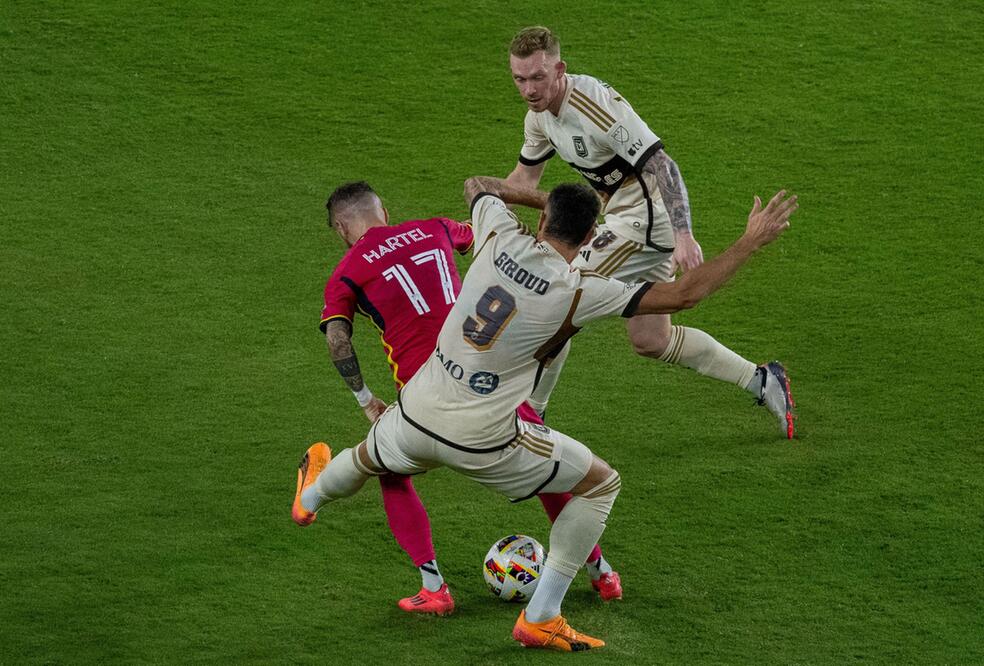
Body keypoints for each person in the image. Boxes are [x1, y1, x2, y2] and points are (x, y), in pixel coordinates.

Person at [293, 176, 798, 651]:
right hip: (485, 436)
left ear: (540, 221)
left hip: (416, 409)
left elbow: (478, 186)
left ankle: (310, 497)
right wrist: (751, 240)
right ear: (590, 237)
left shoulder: (497, 233)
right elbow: (686, 294)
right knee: (599, 483)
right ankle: (542, 616)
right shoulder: (581, 290)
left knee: (365, 458)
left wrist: (547, 198)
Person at [311, 181, 622, 617]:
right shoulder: (433, 228)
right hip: (488, 375)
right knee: (551, 470)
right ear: (383, 209)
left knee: (389, 471)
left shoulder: (347, 270)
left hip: (425, 394)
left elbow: (338, 341)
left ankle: (433, 586)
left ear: (342, 227)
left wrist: (365, 400)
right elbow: (498, 246)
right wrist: (559, 215)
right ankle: (602, 573)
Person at [503, 26, 796, 438]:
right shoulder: (539, 118)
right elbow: (523, 180)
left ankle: (531, 415)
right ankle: (762, 379)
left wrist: (683, 235)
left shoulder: (595, 108)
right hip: (622, 218)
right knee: (651, 340)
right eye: (520, 79)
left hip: (646, 221)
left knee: (558, 292)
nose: (529, 89)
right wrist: (489, 213)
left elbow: (665, 165)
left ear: (559, 69)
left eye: (537, 77)